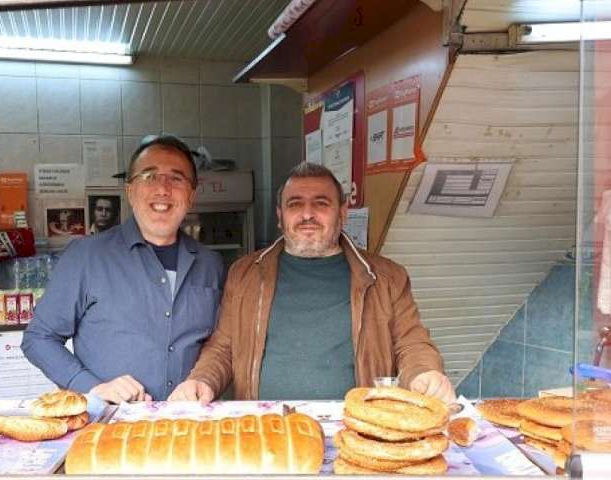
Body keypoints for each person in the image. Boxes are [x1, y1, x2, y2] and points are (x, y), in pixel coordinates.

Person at [169, 162, 455, 404]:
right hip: (268, 429)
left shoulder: (387, 277)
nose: (307, 214)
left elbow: (412, 343)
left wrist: (424, 373)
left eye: (321, 203)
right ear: (280, 217)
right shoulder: (244, 273)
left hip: (357, 427)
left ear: (342, 213)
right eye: (295, 204)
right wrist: (201, 380)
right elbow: (223, 347)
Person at [22, 135, 225, 403]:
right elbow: (38, 338)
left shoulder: (210, 264)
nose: (163, 189)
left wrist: (203, 380)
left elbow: (220, 343)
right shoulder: (85, 256)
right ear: (130, 191)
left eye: (176, 178)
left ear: (191, 195)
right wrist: (92, 387)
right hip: (111, 428)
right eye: (149, 176)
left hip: (186, 426)